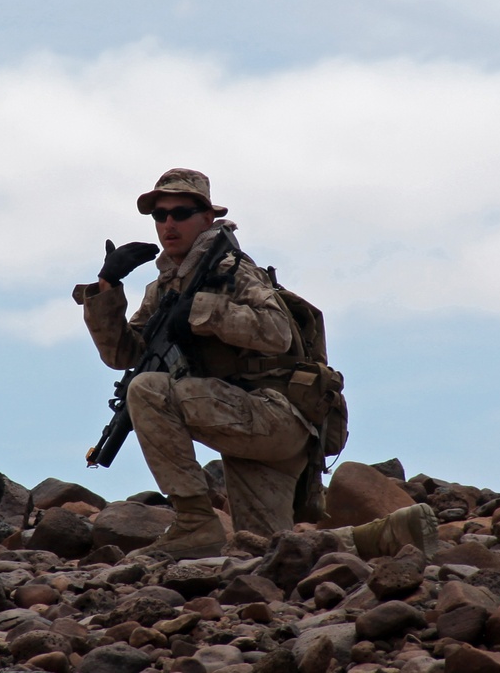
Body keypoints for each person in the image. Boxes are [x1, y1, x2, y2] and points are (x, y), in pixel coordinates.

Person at [73, 168, 437, 561]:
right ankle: (392, 533)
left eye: (181, 212)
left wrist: (201, 310)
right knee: (264, 549)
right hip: (242, 422)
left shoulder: (232, 270)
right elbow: (123, 356)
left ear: (207, 217)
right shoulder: (164, 288)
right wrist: (107, 288)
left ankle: (194, 521)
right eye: (160, 216)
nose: (169, 223)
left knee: (146, 390)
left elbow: (276, 331)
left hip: (274, 413)